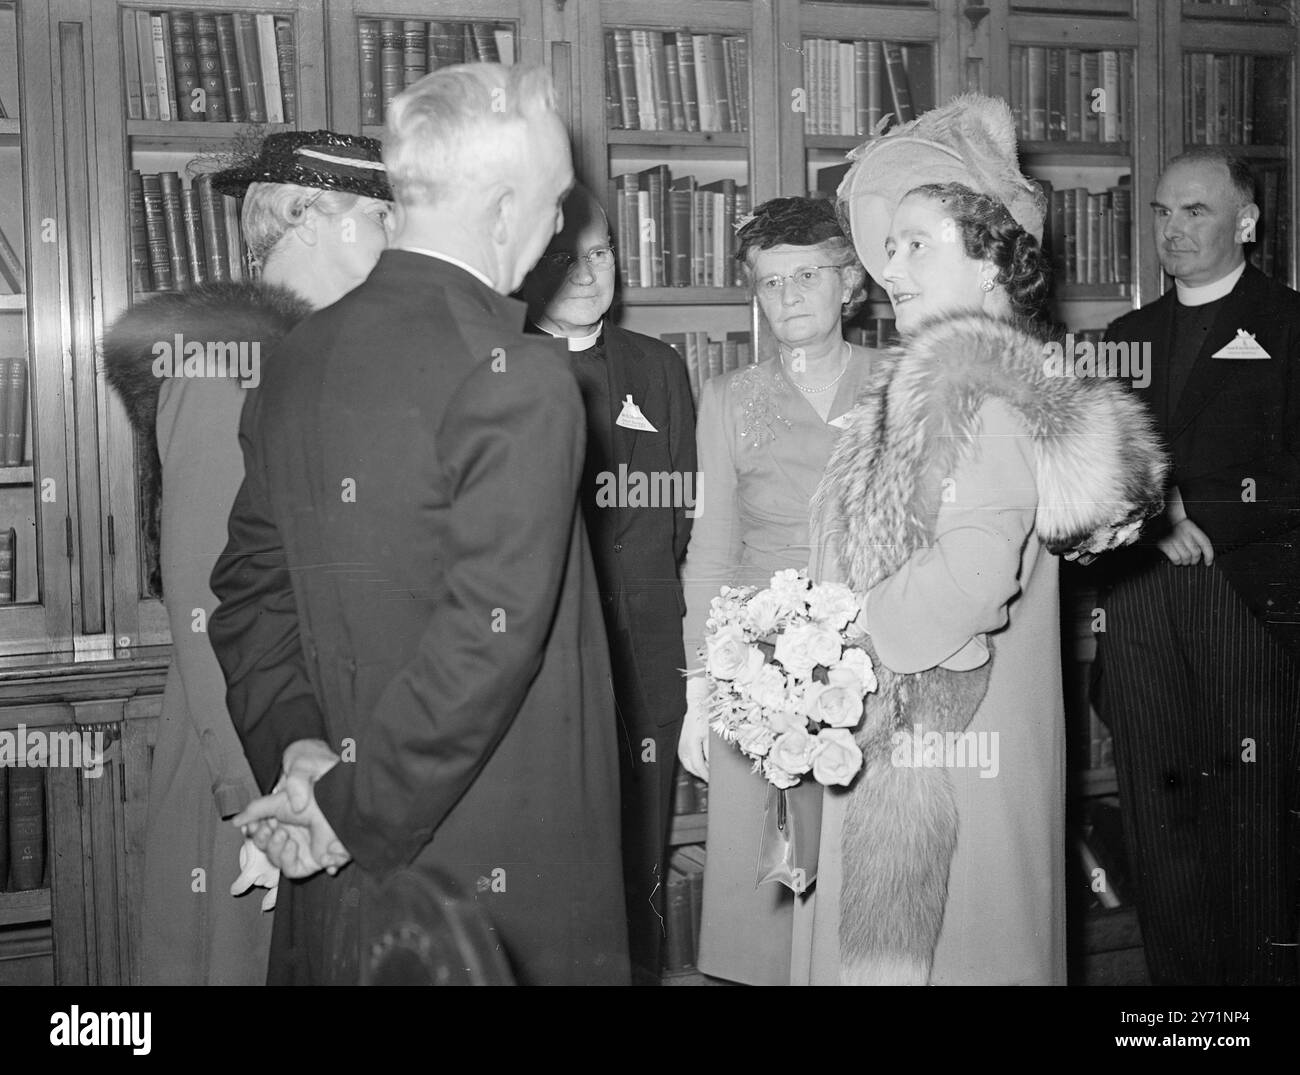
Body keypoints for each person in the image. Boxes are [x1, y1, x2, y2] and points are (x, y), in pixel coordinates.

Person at [708, 94, 1164, 986]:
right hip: (922, 742)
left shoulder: (983, 392)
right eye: (891, 244)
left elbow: (969, 582)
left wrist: (830, 644)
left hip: (949, 764)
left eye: (920, 243)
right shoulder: (938, 386)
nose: (892, 265)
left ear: (992, 258)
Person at [207, 63, 631, 986]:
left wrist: (301, 750)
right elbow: (488, 645)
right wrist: (346, 811)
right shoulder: (522, 373)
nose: (562, 225)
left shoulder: (294, 362)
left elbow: (246, 597)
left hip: (344, 854)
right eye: (557, 201)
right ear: (504, 208)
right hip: (487, 883)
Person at [101, 130, 393, 985]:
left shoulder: (322, 354)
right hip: (249, 740)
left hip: (309, 730)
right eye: (382, 216)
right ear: (313, 218)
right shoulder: (231, 363)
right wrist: (254, 794)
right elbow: (206, 596)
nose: (396, 236)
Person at [1097, 146, 1300, 985]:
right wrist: (1149, 521)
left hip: (1248, 607)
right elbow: (1093, 471)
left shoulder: (1289, 325)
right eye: (1162, 212)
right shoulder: (1124, 338)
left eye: (1197, 211)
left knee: (1257, 835)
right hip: (1143, 604)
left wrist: (1193, 513)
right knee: (1161, 817)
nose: (1173, 230)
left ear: (1247, 222)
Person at [676, 195, 876, 986]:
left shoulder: (899, 382)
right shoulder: (728, 397)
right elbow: (712, 546)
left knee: (867, 880)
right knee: (765, 884)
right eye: (768, 283)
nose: (788, 298)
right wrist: (701, 689)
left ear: (849, 282)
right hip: (759, 667)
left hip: (875, 651)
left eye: (806, 277)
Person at [518, 185, 697, 985]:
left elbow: (686, 513)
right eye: (566, 255)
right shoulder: (505, 364)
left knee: (643, 869)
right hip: (548, 668)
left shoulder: (658, 366)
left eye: (600, 252)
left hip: (650, 661)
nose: (588, 272)